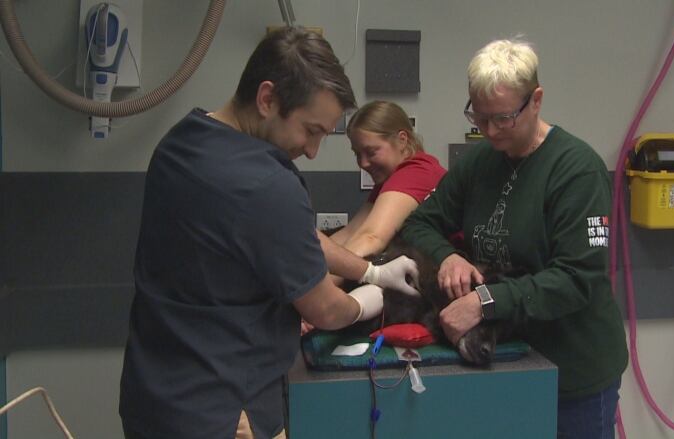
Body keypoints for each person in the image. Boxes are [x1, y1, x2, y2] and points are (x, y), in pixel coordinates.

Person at [119, 27, 418, 439]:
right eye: (311, 130)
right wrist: (367, 302)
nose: (313, 151)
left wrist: (370, 272)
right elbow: (324, 310)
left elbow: (292, 237)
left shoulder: (180, 144)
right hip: (222, 412)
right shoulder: (265, 183)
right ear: (267, 99)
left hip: (153, 397)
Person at [401, 36, 628, 438]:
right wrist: (447, 256)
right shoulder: (480, 163)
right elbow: (419, 224)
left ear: (535, 100)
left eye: (503, 118)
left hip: (573, 372)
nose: (490, 130)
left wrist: (485, 302)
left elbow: (577, 279)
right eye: (479, 117)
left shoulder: (577, 170)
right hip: (507, 363)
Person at [329, 100, 447, 258]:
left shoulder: (417, 172)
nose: (363, 163)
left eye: (371, 152)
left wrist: (319, 282)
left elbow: (370, 238)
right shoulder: (389, 179)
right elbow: (351, 232)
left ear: (402, 140)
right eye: (357, 154)